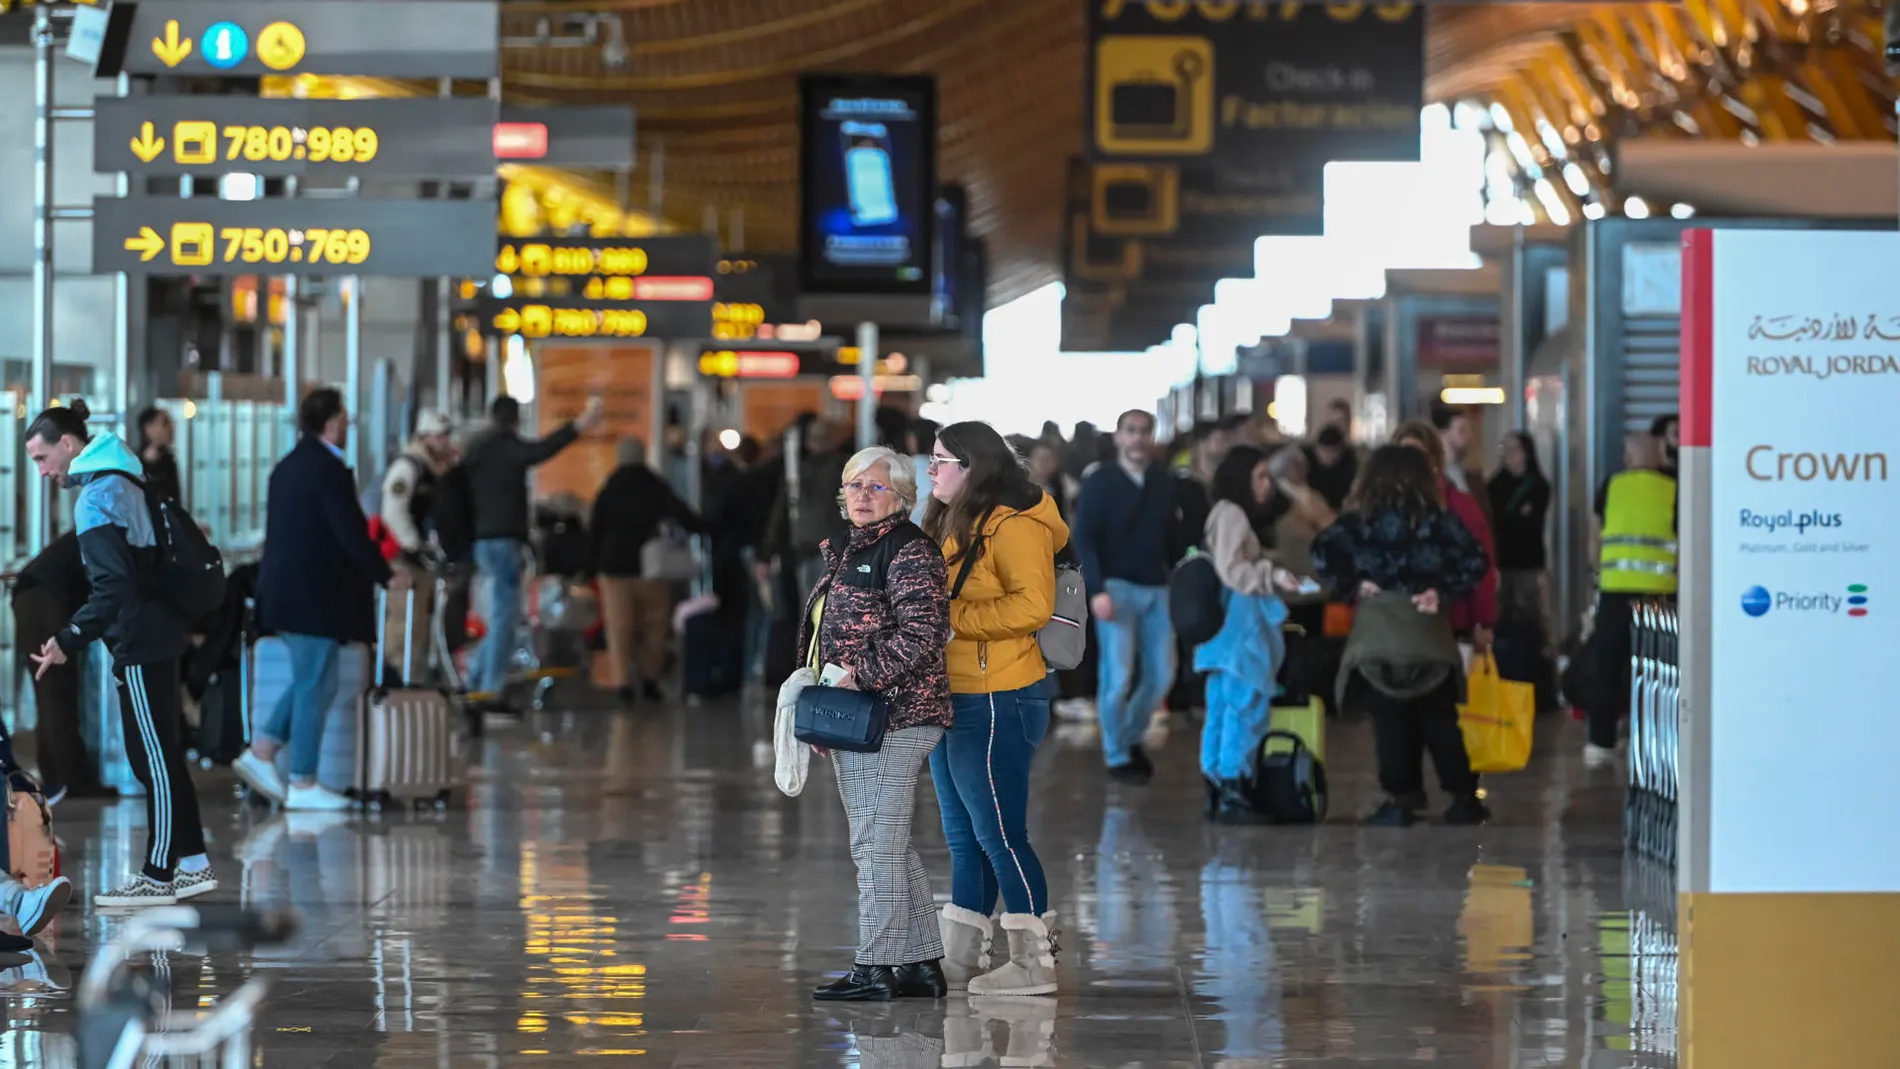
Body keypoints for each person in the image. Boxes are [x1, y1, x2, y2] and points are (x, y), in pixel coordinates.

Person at [24, 399, 214, 906]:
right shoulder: (122, 476)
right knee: (156, 753)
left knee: (153, 758)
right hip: (152, 631)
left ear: (68, 445)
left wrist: (68, 638)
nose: (42, 473)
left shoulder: (98, 496)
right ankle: (192, 863)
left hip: (142, 638)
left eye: (43, 459)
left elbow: (114, 586)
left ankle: (158, 874)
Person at [796, 446, 953, 1002]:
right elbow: (823, 636)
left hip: (897, 717)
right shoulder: (846, 550)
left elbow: (923, 633)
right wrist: (825, 710)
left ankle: (875, 966)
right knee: (883, 844)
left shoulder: (909, 551)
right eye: (855, 485)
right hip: (857, 717)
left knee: (877, 847)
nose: (862, 495)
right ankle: (919, 962)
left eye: (876, 487)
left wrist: (857, 680)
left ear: (903, 498)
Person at [924, 422, 1067, 997]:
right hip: (954, 691)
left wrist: (953, 621)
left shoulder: (1015, 522)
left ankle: (1035, 965)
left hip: (998, 694)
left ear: (972, 466)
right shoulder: (955, 519)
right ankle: (961, 958)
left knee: (1001, 833)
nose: (931, 470)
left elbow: (1034, 604)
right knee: (965, 836)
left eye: (941, 461)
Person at [1310, 445, 1492, 826]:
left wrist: (1353, 585)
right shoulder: (1436, 521)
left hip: (1378, 637)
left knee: (1390, 720)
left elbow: (1321, 553)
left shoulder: (1359, 522)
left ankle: (1401, 797)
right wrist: (1441, 592)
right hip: (1428, 633)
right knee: (1440, 719)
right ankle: (1463, 797)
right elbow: (1477, 560)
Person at [236, 388, 396, 812]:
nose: (347, 425)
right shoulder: (326, 469)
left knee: (317, 681)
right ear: (331, 421)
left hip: (292, 594)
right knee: (312, 683)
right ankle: (302, 780)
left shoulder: (290, 465)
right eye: (344, 417)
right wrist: (384, 574)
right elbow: (350, 533)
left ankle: (265, 749)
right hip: (311, 596)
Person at [460, 394, 604, 705]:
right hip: (502, 541)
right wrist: (579, 425)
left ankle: (474, 678)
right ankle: (488, 691)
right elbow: (542, 450)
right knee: (504, 620)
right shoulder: (505, 447)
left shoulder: (476, 451)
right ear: (515, 420)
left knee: (502, 618)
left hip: (482, 541)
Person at [1195, 445, 1304, 823]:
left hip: (1224, 635)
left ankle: (1217, 789)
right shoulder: (1234, 515)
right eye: (1259, 475)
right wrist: (1270, 574)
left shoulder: (1222, 514)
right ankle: (1234, 790)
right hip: (1241, 632)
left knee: (1223, 709)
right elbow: (1234, 572)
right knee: (1246, 707)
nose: (1266, 484)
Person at [1071, 410, 1179, 783]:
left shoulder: (1163, 481)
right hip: (1115, 587)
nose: (1138, 438)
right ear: (1118, 437)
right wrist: (1096, 588)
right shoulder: (1101, 481)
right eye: (1131, 431)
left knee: (1162, 675)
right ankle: (1117, 755)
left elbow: (1173, 537)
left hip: (1157, 587)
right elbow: (1083, 537)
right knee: (1118, 677)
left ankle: (1129, 737)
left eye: (1145, 431)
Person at [590, 437, 707, 703]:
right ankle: (650, 680)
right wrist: (704, 526)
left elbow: (595, 530)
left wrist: (590, 565)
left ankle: (622, 685)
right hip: (651, 568)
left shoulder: (610, 487)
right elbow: (682, 514)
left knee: (619, 628)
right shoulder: (654, 485)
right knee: (654, 626)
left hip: (614, 569)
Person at [1589, 430, 1676, 767]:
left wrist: (1597, 575)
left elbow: (1594, 538)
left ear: (1628, 457)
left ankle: (1600, 744)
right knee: (1656, 669)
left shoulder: (1611, 486)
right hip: (1659, 594)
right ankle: (1653, 741)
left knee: (1607, 667)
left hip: (1614, 591)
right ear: (1657, 455)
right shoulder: (1674, 488)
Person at [11, 532, 108, 802]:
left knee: (51, 691)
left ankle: (58, 779)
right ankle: (71, 781)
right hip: (45, 599)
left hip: (36, 596)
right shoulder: (111, 526)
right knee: (57, 691)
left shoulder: (102, 521)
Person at [1395, 419, 1498, 656]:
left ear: (1433, 460)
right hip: (1395, 628)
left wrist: (1484, 622)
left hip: (1450, 627)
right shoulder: (1382, 508)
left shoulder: (1460, 507)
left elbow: (1482, 566)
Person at [378, 411, 456, 680]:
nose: (445, 442)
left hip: (419, 559)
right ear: (425, 438)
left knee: (419, 624)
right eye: (440, 436)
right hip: (402, 559)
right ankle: (391, 678)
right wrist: (413, 545)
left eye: (447, 436)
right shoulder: (408, 467)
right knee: (403, 623)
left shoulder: (431, 469)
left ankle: (409, 679)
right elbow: (394, 510)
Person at [1265, 445, 1337, 634]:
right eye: (1293, 465)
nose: (1300, 468)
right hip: (1293, 571)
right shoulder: (1277, 497)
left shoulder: (1313, 494)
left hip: (1316, 575)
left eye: (1301, 463)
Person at [1487, 432, 1553, 632]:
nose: (1507, 454)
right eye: (1503, 449)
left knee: (1531, 620)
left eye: (1513, 449)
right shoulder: (1493, 486)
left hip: (1529, 565)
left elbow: (1530, 523)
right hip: (1501, 564)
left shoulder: (1538, 486)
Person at [1305, 425, 1358, 513]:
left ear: (1341, 451)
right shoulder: (1304, 461)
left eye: (1333, 452)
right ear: (1316, 448)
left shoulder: (1349, 464)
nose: (1329, 456)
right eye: (1324, 451)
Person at [135, 406, 181, 504]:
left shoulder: (168, 458)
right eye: (165, 424)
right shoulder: (141, 464)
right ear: (148, 428)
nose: (171, 428)